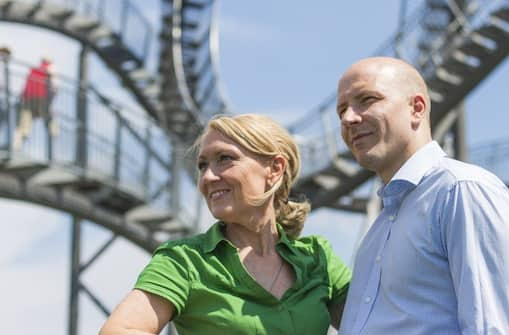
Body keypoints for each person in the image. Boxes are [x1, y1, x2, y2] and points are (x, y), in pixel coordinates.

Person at [99, 114, 351, 335]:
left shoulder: (319, 259)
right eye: (202, 165)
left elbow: (378, 321)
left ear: (274, 169)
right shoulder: (183, 261)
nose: (207, 177)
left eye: (224, 158)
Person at [335, 57, 509, 335]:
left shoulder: (462, 190)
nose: (348, 118)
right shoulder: (380, 228)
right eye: (341, 110)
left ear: (416, 108)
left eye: (367, 99)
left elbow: (493, 328)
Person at [13, 57, 58, 149]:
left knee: (24, 122)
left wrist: (22, 97)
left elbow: (25, 86)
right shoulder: (50, 69)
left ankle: (17, 144)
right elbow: (54, 87)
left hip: (28, 98)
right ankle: (53, 132)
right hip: (41, 99)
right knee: (48, 118)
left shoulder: (34, 70)